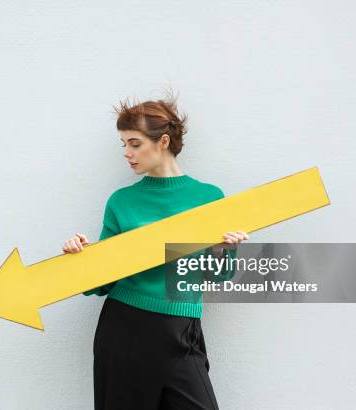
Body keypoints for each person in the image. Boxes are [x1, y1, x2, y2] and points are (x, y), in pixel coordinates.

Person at [62, 94, 249, 410]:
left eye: (134, 144)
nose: (127, 153)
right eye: (123, 145)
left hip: (182, 330)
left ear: (163, 141)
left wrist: (223, 251)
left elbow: (219, 277)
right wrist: (82, 258)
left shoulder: (209, 197)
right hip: (125, 329)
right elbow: (101, 283)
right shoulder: (122, 202)